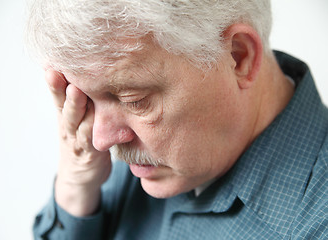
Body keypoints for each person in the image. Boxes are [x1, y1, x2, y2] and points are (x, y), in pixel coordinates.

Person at [26, 0, 328, 239]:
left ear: (239, 56)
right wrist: (76, 188)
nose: (100, 140)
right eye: (85, 100)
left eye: (135, 100)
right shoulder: (123, 161)